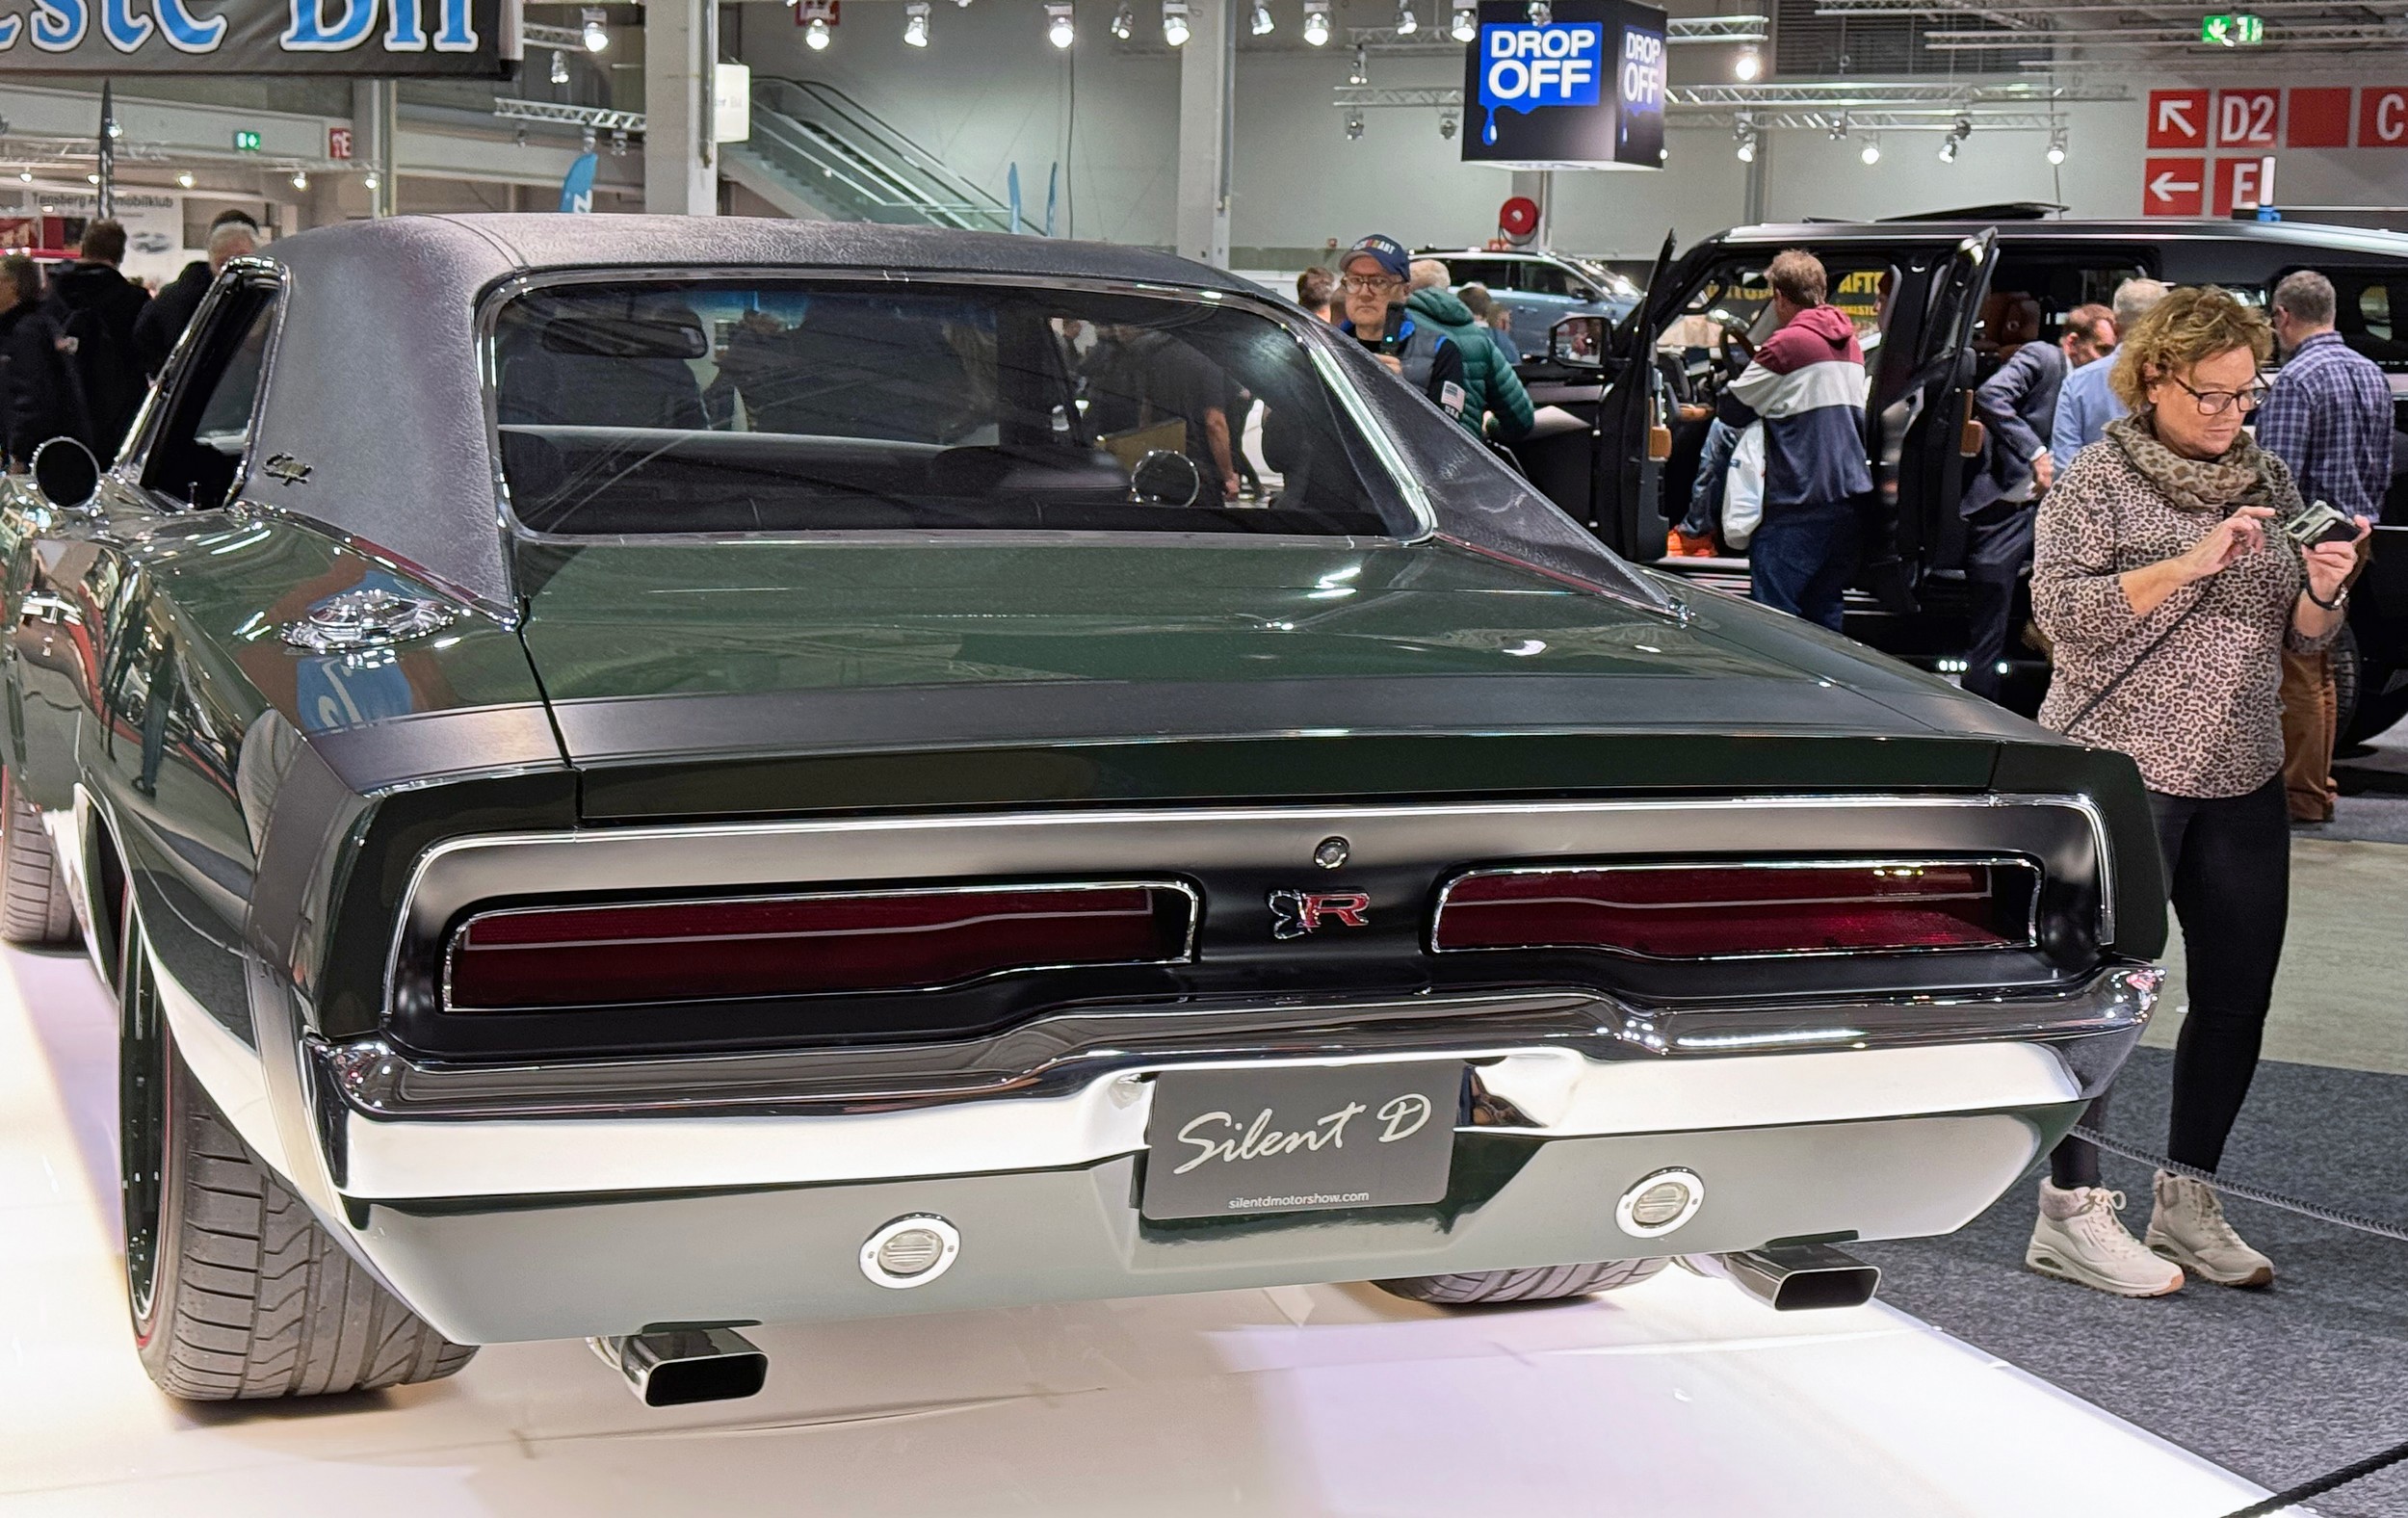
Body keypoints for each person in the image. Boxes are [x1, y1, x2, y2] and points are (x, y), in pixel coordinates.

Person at [2026, 286, 2366, 1297]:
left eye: (2244, 393)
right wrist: (2190, 560)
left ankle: (2188, 1197)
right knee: (2105, 994)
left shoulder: (2268, 474)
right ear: (2154, 381)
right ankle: (2070, 1212)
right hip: (2121, 766)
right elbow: (2062, 617)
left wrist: (2324, 587)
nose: (2230, 413)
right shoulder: (2099, 478)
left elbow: (2303, 638)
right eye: (2210, 395)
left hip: (2241, 766)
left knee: (2235, 995)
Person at [2256, 269, 2394, 823]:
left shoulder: (2297, 379)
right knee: (2323, 668)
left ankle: (2302, 794)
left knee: (2298, 670)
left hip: (2309, 542)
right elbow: (2382, 464)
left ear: (2283, 316)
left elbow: (2277, 477)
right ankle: (2318, 784)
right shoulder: (2369, 371)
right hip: (2357, 535)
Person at [1957, 301, 2114, 702]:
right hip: (2012, 506)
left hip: (2052, 512)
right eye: (2100, 349)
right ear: (2073, 342)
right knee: (1991, 610)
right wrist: (2036, 452)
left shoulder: (2095, 384)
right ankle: (1980, 701)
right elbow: (1992, 395)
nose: (2106, 360)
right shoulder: (2043, 357)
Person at [1729, 249, 1872, 630]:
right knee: (1824, 613)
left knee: (1775, 622)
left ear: (1779, 295)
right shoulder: (1850, 342)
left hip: (1799, 501)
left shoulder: (1788, 344)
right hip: (1846, 499)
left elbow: (1733, 409)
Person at [5, 220, 151, 465]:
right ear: (120, 254)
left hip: (60, 429)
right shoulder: (133, 301)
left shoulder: (52, 297)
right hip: (119, 424)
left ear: (83, 247)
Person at [1334, 234, 1465, 422]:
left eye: (1378, 282)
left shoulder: (1440, 352)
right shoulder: (1326, 345)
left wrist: (1402, 395)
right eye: (1355, 281)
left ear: (1405, 291)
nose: (1364, 293)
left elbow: (1446, 434)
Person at [1405, 258, 1532, 442]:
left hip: (1410, 449)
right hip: (1465, 453)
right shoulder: (1480, 338)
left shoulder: (1396, 330)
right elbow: (1522, 419)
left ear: (1405, 288)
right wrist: (1489, 427)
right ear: (1446, 288)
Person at [2051, 277, 2168, 461]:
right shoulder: (2188, 379)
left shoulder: (2077, 383)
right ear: (2168, 324)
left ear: (2115, 327)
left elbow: (2065, 461)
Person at [133, 210, 258, 379]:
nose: (234, 269)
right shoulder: (257, 296)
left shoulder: (171, 298)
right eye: (224, 263)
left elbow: (143, 341)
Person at [0, 255, 43, 468]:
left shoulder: (26, 332)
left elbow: (32, 397)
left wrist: (20, 454)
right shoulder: (16, 328)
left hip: (25, 458)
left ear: (12, 284)